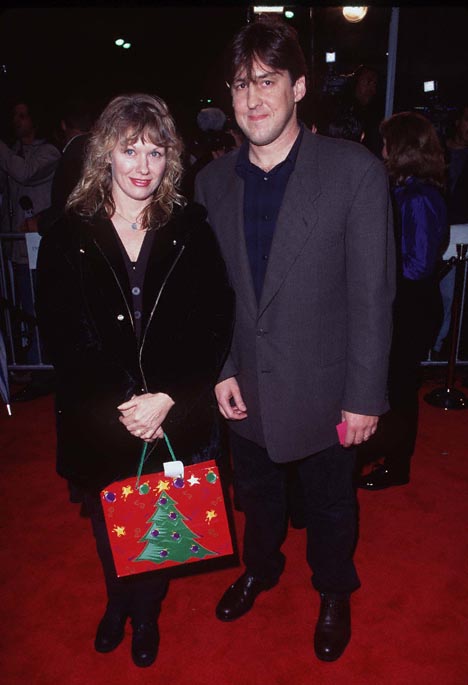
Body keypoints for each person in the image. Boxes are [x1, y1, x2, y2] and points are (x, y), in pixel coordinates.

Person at [195, 17, 395, 663]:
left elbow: (373, 294)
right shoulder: (211, 182)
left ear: (300, 86)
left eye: (268, 81)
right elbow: (215, 293)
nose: (253, 97)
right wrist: (222, 365)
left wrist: (364, 396)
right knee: (255, 495)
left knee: (333, 506)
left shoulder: (354, 172)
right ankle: (261, 567)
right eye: (240, 84)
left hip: (326, 386)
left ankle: (334, 589)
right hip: (248, 381)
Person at [35, 93, 234, 668]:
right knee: (108, 518)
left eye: (155, 150)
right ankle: (116, 602)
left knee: (160, 518)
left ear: (170, 157)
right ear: (106, 155)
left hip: (174, 409)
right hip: (102, 413)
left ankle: (144, 612)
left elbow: (215, 319)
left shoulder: (190, 227)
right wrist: (130, 403)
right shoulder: (68, 232)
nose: (143, 165)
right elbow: (64, 334)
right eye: (130, 149)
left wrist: (168, 395)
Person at [357, 112, 448, 490]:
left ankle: (397, 464)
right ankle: (387, 453)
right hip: (403, 304)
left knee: (399, 389)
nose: (381, 150)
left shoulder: (420, 196)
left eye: (386, 144)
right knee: (392, 386)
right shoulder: (407, 190)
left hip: (410, 308)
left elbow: (418, 265)